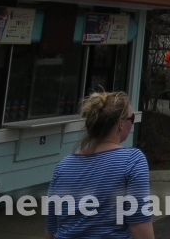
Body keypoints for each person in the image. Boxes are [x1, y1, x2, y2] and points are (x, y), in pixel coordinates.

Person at [44, 90, 153, 239]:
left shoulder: (63, 166)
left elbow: (51, 228)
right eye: (131, 118)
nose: (132, 123)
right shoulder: (133, 160)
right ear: (120, 124)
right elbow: (138, 224)